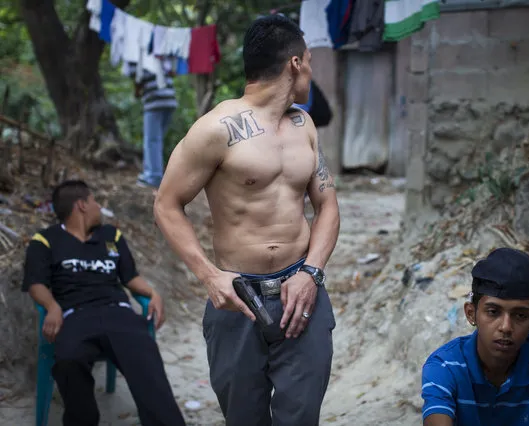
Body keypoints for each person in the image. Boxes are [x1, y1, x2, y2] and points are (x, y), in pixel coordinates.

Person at [153, 14, 340, 426]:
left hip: (301, 293)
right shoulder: (214, 129)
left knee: (300, 417)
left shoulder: (303, 125)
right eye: (308, 59)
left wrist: (312, 272)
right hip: (238, 300)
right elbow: (166, 204)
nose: (311, 68)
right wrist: (209, 276)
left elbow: (327, 205)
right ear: (295, 63)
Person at [22, 180, 185, 426]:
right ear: (82, 205)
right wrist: (53, 306)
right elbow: (36, 283)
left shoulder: (111, 236)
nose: (99, 207)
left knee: (146, 363)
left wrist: (154, 293)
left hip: (118, 313)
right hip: (74, 316)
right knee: (68, 361)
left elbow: (130, 277)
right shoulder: (45, 240)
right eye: (95, 201)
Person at [421, 248, 529, 426]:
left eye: (520, 315)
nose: (506, 327)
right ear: (471, 313)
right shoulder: (445, 366)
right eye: (493, 312)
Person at [132, 59, 178, 189]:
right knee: (156, 141)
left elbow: (137, 79)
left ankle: (153, 177)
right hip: (170, 100)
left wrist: (136, 91)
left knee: (152, 141)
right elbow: (173, 72)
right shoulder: (161, 53)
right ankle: (153, 174)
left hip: (155, 102)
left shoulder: (141, 56)